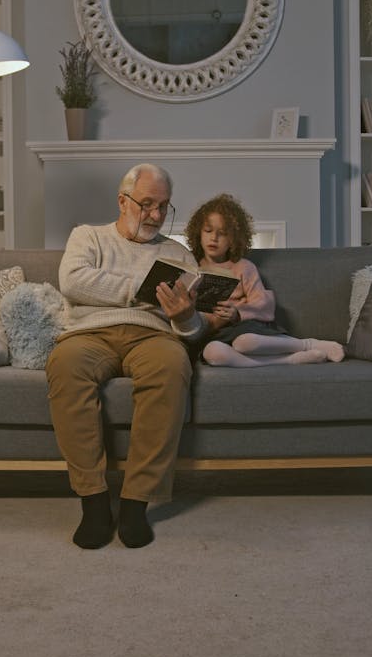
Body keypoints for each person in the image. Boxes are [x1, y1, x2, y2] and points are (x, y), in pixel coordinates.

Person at [46, 163, 205, 550]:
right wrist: (145, 289)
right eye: (146, 204)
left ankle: (135, 504)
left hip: (153, 336)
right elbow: (74, 281)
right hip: (89, 333)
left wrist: (185, 317)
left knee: (172, 366)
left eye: (163, 207)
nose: (154, 215)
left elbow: (193, 332)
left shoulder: (178, 254)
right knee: (65, 365)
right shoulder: (88, 236)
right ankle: (94, 502)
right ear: (123, 200)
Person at [184, 193, 345, 367]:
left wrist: (237, 312)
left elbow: (263, 303)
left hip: (244, 329)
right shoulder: (191, 269)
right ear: (198, 233)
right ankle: (288, 360)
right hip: (212, 335)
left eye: (222, 233)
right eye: (208, 231)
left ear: (233, 240)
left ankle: (307, 344)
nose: (213, 238)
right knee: (212, 353)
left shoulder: (243, 267)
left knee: (244, 343)